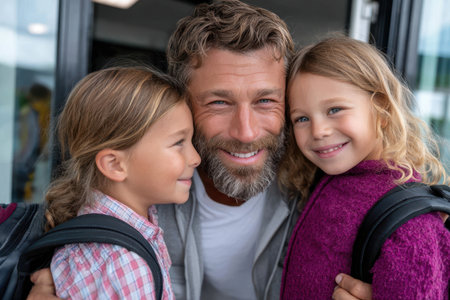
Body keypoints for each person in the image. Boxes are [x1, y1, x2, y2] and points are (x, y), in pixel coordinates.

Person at [28, 1, 373, 299]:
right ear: (181, 105)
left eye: (266, 101)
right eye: (219, 102)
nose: (246, 131)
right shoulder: (139, 194)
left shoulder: (326, 185)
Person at [279, 35, 450, 299]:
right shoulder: (325, 178)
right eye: (301, 118)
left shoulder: (410, 223)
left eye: (335, 109)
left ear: (381, 108)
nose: (318, 131)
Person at [45, 66, 200, 299]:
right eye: (179, 143)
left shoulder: (99, 231)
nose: (195, 158)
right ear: (115, 165)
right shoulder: (124, 262)